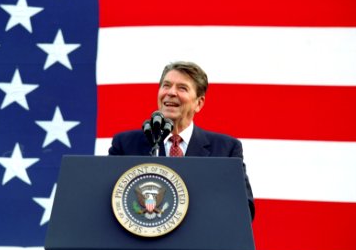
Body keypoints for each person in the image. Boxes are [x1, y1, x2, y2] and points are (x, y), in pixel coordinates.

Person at [109, 61, 255, 220]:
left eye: (182, 88)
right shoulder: (125, 145)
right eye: (166, 85)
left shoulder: (225, 149)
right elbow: (109, 201)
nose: (171, 92)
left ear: (198, 103)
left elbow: (244, 209)